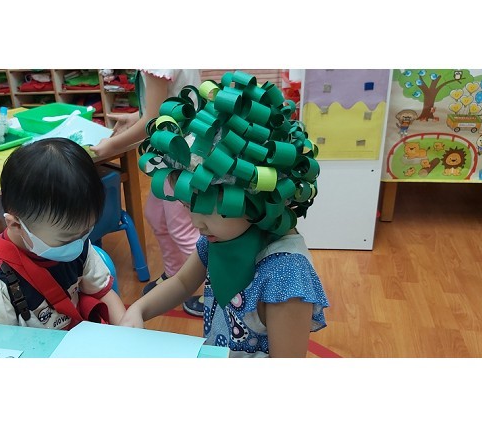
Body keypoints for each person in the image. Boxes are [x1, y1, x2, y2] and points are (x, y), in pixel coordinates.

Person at [120, 70, 329, 357]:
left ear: (253, 195)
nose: (196, 223)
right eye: (188, 207)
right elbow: (182, 282)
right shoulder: (220, 237)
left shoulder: (286, 277)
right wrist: (139, 309)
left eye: (208, 210)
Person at [0, 138, 126, 329]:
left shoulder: (76, 241)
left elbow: (102, 293)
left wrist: (127, 332)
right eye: (65, 239)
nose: (77, 243)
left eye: (85, 232)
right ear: (16, 225)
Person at [91, 69, 203, 316]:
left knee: (182, 230)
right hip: (173, 149)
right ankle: (174, 273)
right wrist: (136, 116)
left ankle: (209, 291)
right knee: (156, 215)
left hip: (180, 153)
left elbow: (153, 119)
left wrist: (112, 145)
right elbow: (169, 102)